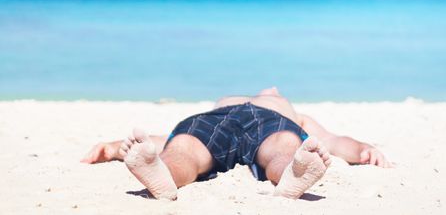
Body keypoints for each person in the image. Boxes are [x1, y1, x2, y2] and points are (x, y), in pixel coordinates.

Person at [82, 87, 390, 200]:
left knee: (285, 148)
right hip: (240, 120)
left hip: (227, 119)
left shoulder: (295, 115)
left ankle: (293, 173)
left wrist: (362, 149)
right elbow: (332, 140)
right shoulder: (285, 106)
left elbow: (334, 142)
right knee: (183, 146)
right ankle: (161, 172)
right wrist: (114, 147)